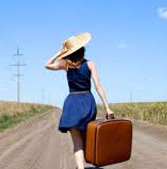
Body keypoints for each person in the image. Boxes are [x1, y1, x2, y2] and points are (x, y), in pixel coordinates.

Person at [45, 32, 115, 169]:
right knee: (88, 136)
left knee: (77, 143)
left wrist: (59, 53)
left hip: (72, 104)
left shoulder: (65, 65)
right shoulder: (90, 64)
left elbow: (47, 65)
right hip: (87, 103)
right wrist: (107, 107)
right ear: (82, 49)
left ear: (69, 52)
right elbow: (98, 86)